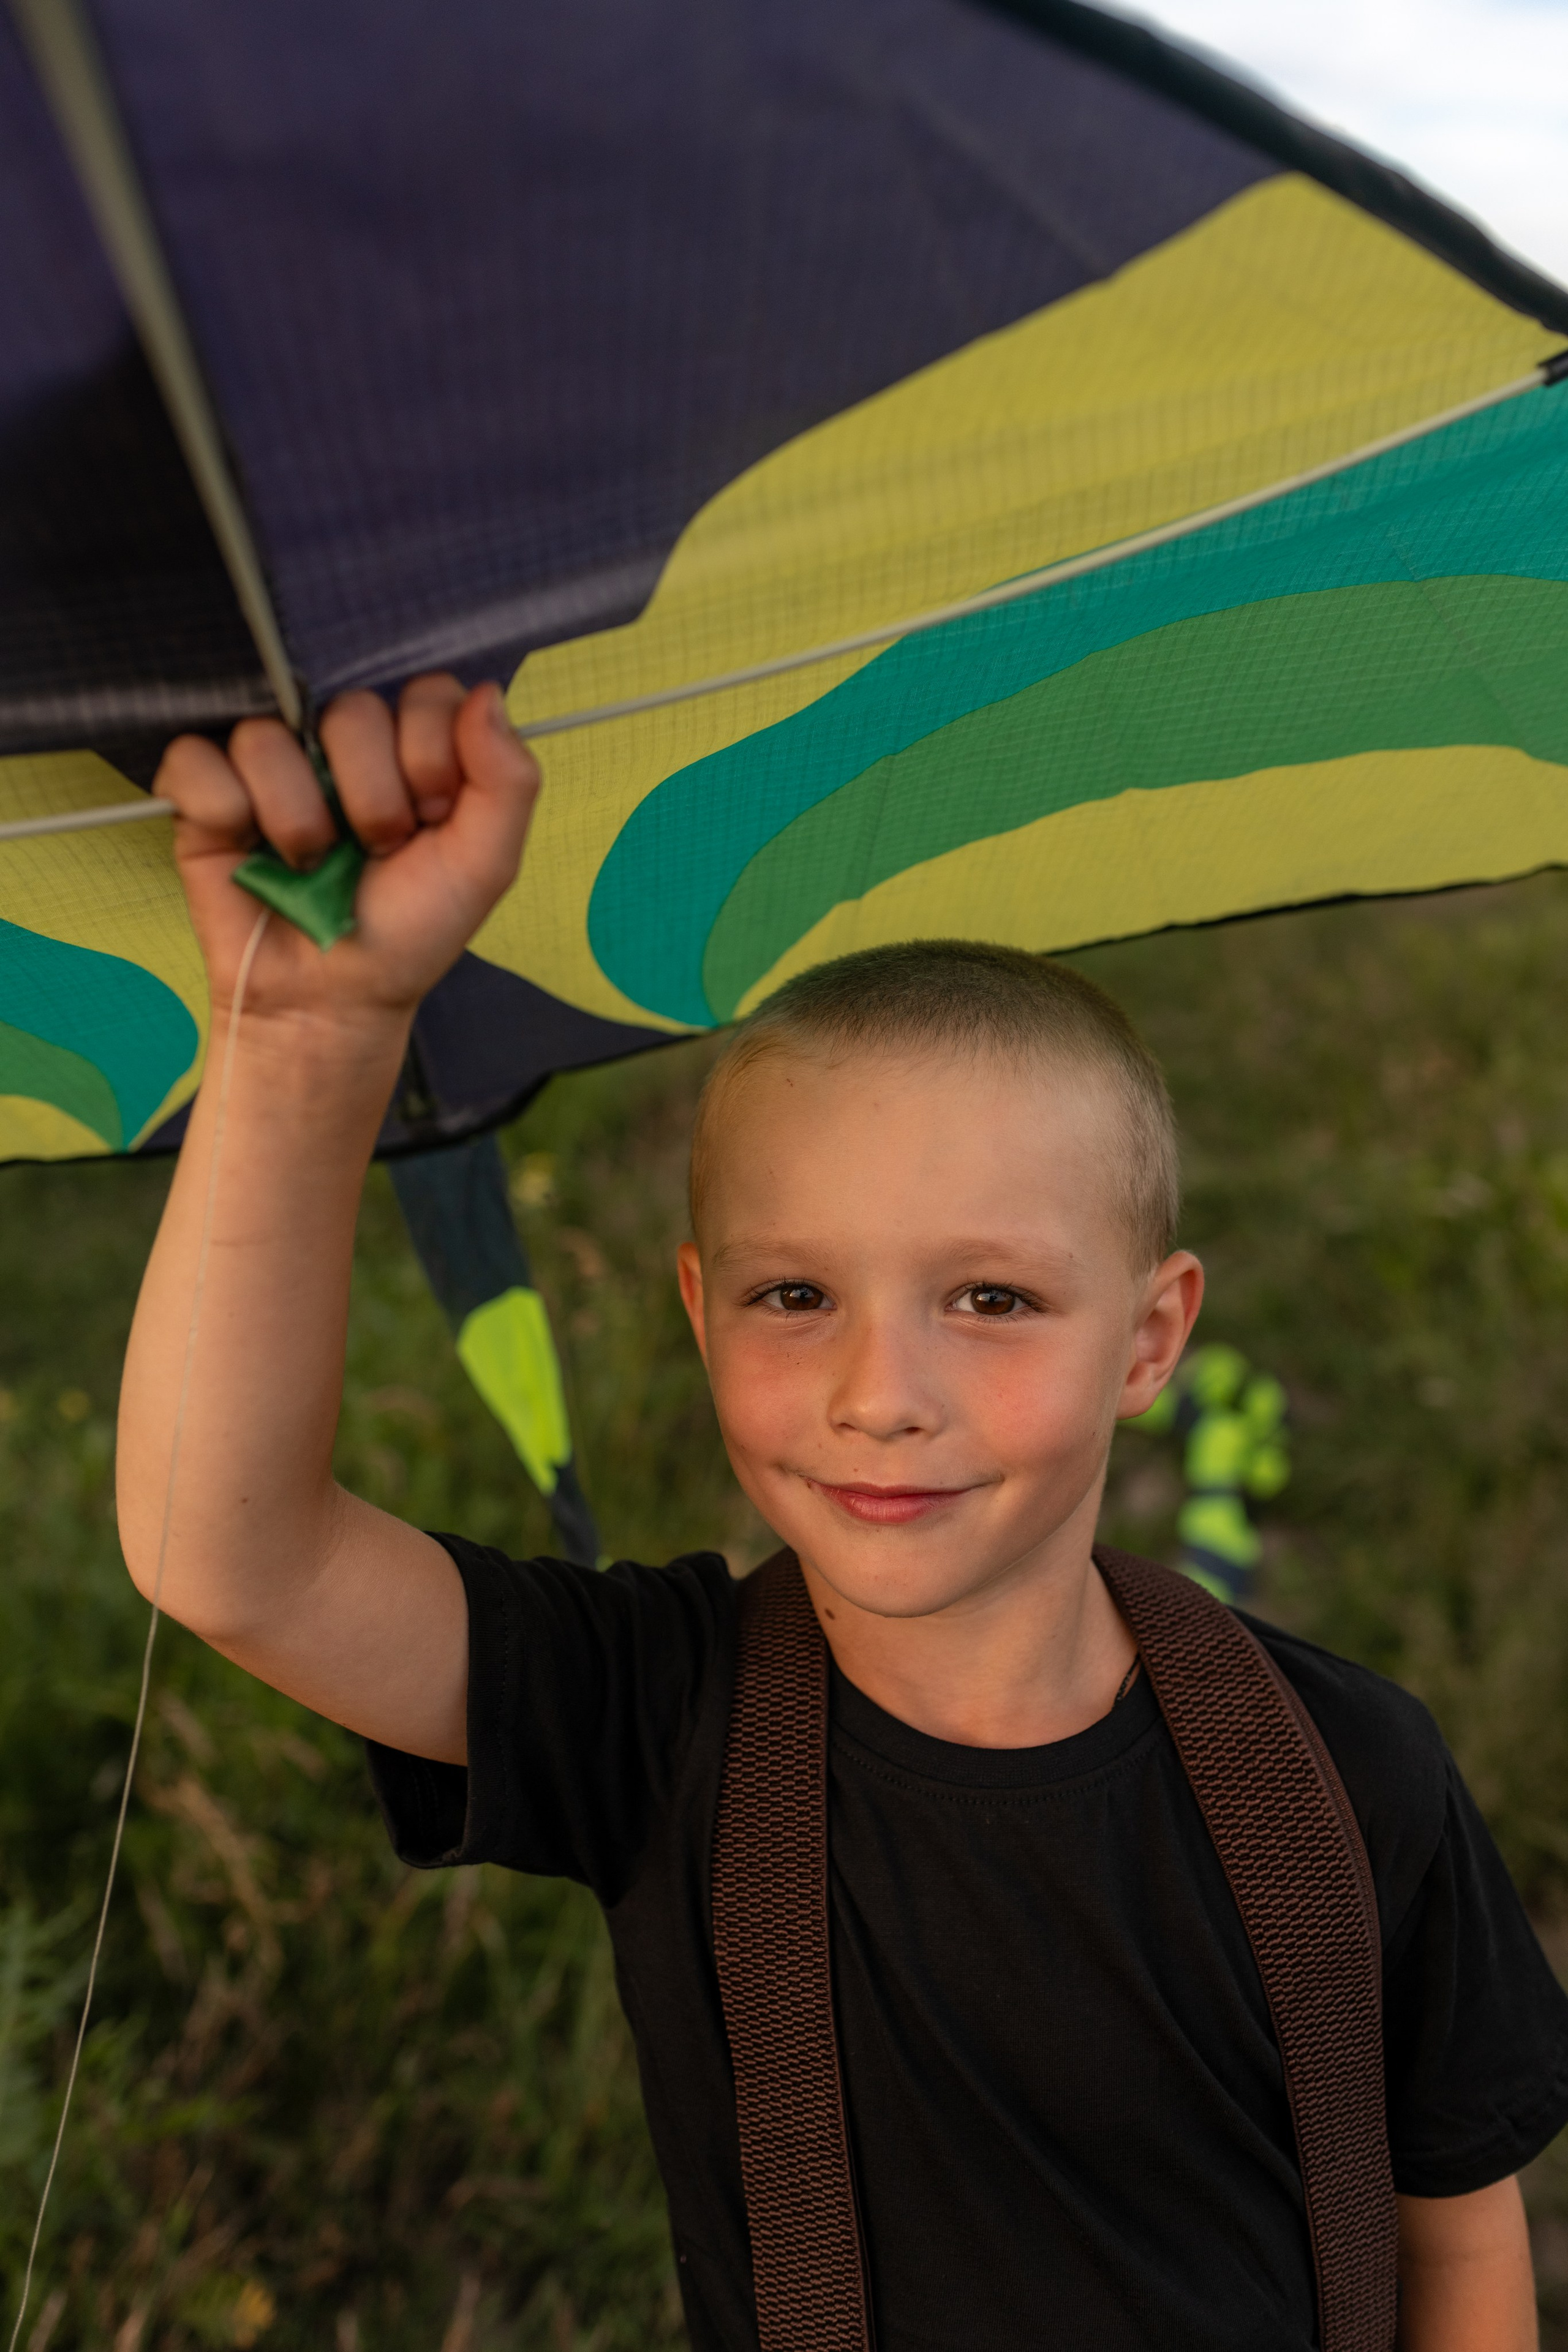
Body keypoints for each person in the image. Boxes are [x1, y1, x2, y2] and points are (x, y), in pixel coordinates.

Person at [120, 676, 1568, 2352]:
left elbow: (1458, 2252)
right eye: (796, 1294)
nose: (880, 1391)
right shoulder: (658, 1714)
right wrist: (306, 1044)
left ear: (1151, 1339)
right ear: (695, 1304)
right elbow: (225, 1550)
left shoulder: (1347, 1774)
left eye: (994, 1301)